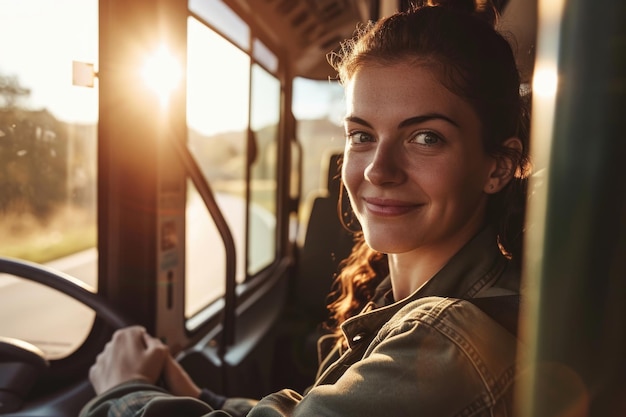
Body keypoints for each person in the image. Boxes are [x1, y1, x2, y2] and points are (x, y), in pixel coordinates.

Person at [81, 1, 531, 416]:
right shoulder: (398, 303)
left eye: (425, 137)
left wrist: (123, 394)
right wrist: (201, 399)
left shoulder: (446, 341)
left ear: (498, 167)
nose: (379, 170)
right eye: (362, 135)